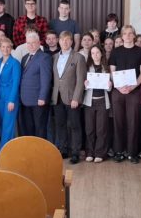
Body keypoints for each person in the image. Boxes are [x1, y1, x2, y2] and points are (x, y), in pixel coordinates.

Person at [109, 25, 141, 164]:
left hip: (134, 92)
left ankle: (132, 153)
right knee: (118, 122)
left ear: (134, 35)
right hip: (118, 91)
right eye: (125, 33)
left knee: (133, 122)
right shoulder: (115, 52)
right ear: (122, 36)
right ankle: (119, 151)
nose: (128, 36)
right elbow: (112, 72)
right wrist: (119, 87)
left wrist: (132, 87)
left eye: (130, 33)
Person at [52, 31, 87, 164]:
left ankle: (75, 152)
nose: (65, 42)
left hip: (72, 98)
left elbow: (80, 80)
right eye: (62, 40)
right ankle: (64, 149)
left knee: (74, 125)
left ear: (72, 42)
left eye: (67, 40)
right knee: (60, 124)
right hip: (57, 97)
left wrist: (76, 98)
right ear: (59, 41)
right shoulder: (54, 57)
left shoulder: (78, 57)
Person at [19, 31, 52, 138]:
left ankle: (40, 149)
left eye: (33, 43)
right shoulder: (24, 58)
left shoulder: (44, 57)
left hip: (38, 100)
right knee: (28, 128)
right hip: (25, 100)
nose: (30, 45)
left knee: (40, 128)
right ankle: (30, 148)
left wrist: (42, 97)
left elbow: (46, 79)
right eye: (28, 43)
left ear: (38, 43)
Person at [83, 44, 112, 162]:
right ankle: (89, 152)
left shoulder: (107, 67)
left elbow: (109, 89)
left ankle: (100, 153)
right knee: (89, 129)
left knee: (101, 129)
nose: (95, 55)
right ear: (90, 55)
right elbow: (82, 86)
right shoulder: (86, 67)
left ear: (101, 54)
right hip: (89, 102)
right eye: (93, 53)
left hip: (102, 101)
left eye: (97, 53)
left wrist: (110, 86)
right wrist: (85, 85)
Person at [0, 37, 21, 151]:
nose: (5, 49)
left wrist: (12, 100)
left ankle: (3, 151)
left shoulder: (15, 63)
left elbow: (16, 82)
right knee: (1, 123)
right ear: (0, 48)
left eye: (8, 47)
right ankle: (9, 149)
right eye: (3, 47)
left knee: (8, 124)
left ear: (11, 48)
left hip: (10, 96)